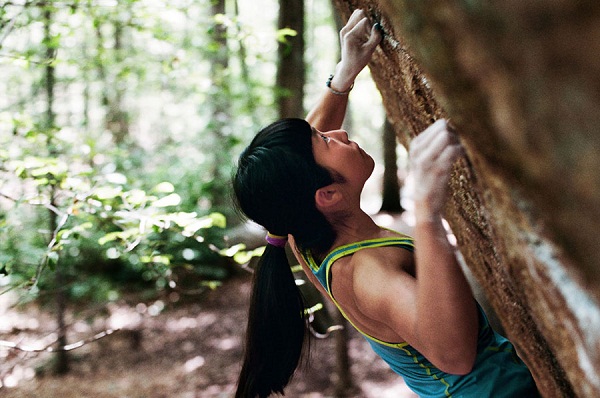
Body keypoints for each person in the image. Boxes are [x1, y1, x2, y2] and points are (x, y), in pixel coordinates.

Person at [232, 9, 539, 398]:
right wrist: (425, 211)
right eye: (328, 143)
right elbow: (454, 357)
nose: (338, 132)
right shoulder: (369, 274)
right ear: (326, 196)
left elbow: (301, 159)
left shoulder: (300, 234)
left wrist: (343, 77)